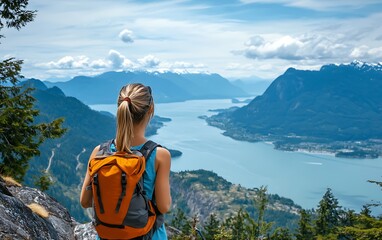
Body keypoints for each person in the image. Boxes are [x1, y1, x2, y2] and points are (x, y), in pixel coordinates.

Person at [80, 83, 172, 239]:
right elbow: (164, 206)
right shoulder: (160, 155)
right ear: (151, 110)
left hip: (107, 235)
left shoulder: (99, 152)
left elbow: (85, 201)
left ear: (119, 107)